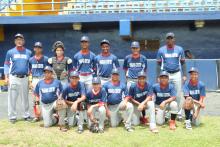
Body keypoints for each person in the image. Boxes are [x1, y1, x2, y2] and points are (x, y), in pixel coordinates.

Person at [156, 32, 186, 120]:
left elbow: (183, 62)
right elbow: (158, 64)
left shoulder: (179, 49)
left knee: (178, 94)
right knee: (166, 93)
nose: (170, 40)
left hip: (176, 73)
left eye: (171, 38)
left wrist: (184, 74)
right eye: (168, 38)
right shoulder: (161, 50)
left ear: (174, 39)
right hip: (166, 74)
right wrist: (158, 76)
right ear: (166, 40)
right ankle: (168, 113)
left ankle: (178, 113)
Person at [4, 33, 32, 123]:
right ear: (15, 41)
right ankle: (12, 116)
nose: (19, 41)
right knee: (12, 97)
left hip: (25, 78)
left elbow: (30, 66)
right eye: (17, 39)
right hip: (14, 77)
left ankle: (26, 115)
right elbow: (6, 65)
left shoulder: (28, 52)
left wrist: (30, 79)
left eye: (20, 39)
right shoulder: (10, 52)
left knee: (25, 98)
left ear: (23, 41)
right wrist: (6, 77)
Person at [34, 66, 67, 131]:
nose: (47, 74)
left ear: (52, 73)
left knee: (62, 104)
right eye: (45, 72)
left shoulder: (57, 82)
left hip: (55, 102)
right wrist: (37, 106)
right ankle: (55, 118)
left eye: (49, 72)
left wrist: (60, 98)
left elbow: (62, 91)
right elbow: (36, 95)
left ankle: (62, 124)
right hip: (45, 105)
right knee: (47, 125)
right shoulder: (40, 83)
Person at [29, 42, 49, 122]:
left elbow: (49, 71)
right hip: (34, 79)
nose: (37, 48)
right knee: (34, 98)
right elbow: (29, 71)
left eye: (39, 47)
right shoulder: (31, 59)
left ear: (41, 49)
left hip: (43, 79)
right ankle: (37, 116)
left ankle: (46, 115)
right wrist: (30, 81)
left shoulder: (46, 59)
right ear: (34, 48)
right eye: (36, 47)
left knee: (46, 97)